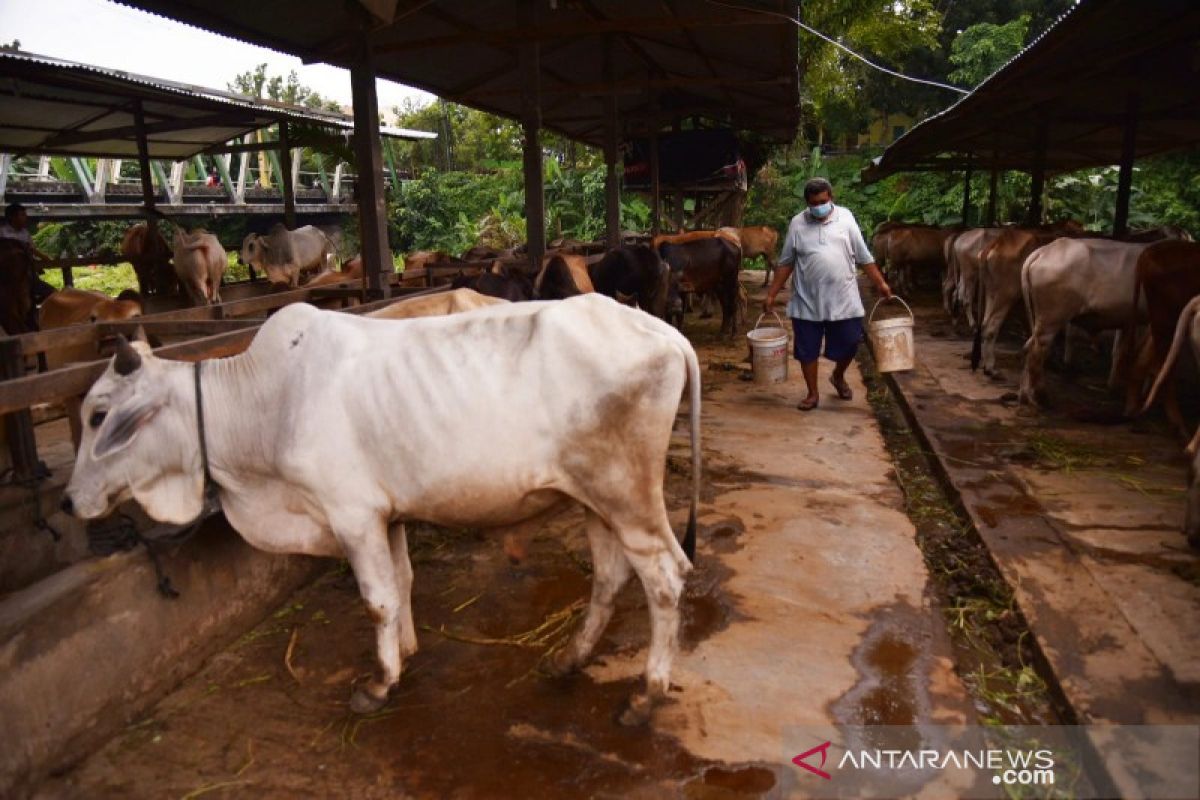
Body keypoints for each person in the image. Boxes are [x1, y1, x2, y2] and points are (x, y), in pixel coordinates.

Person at [764, 177, 892, 411]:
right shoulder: (797, 224)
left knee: (851, 342)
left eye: (823, 201)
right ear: (807, 203)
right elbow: (786, 262)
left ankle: (838, 375)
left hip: (844, 299)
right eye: (814, 203)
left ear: (831, 198)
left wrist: (881, 284)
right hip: (806, 301)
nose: (819, 207)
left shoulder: (846, 219)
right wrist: (772, 294)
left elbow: (864, 257)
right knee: (806, 350)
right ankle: (812, 394)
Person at [0, 202, 55, 320]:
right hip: (7, 277)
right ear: (12, 217)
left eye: (25, 215)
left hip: (28, 275)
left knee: (52, 293)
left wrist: (46, 259)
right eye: (22, 215)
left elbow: (32, 249)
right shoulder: (2, 233)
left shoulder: (25, 233)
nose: (25, 218)